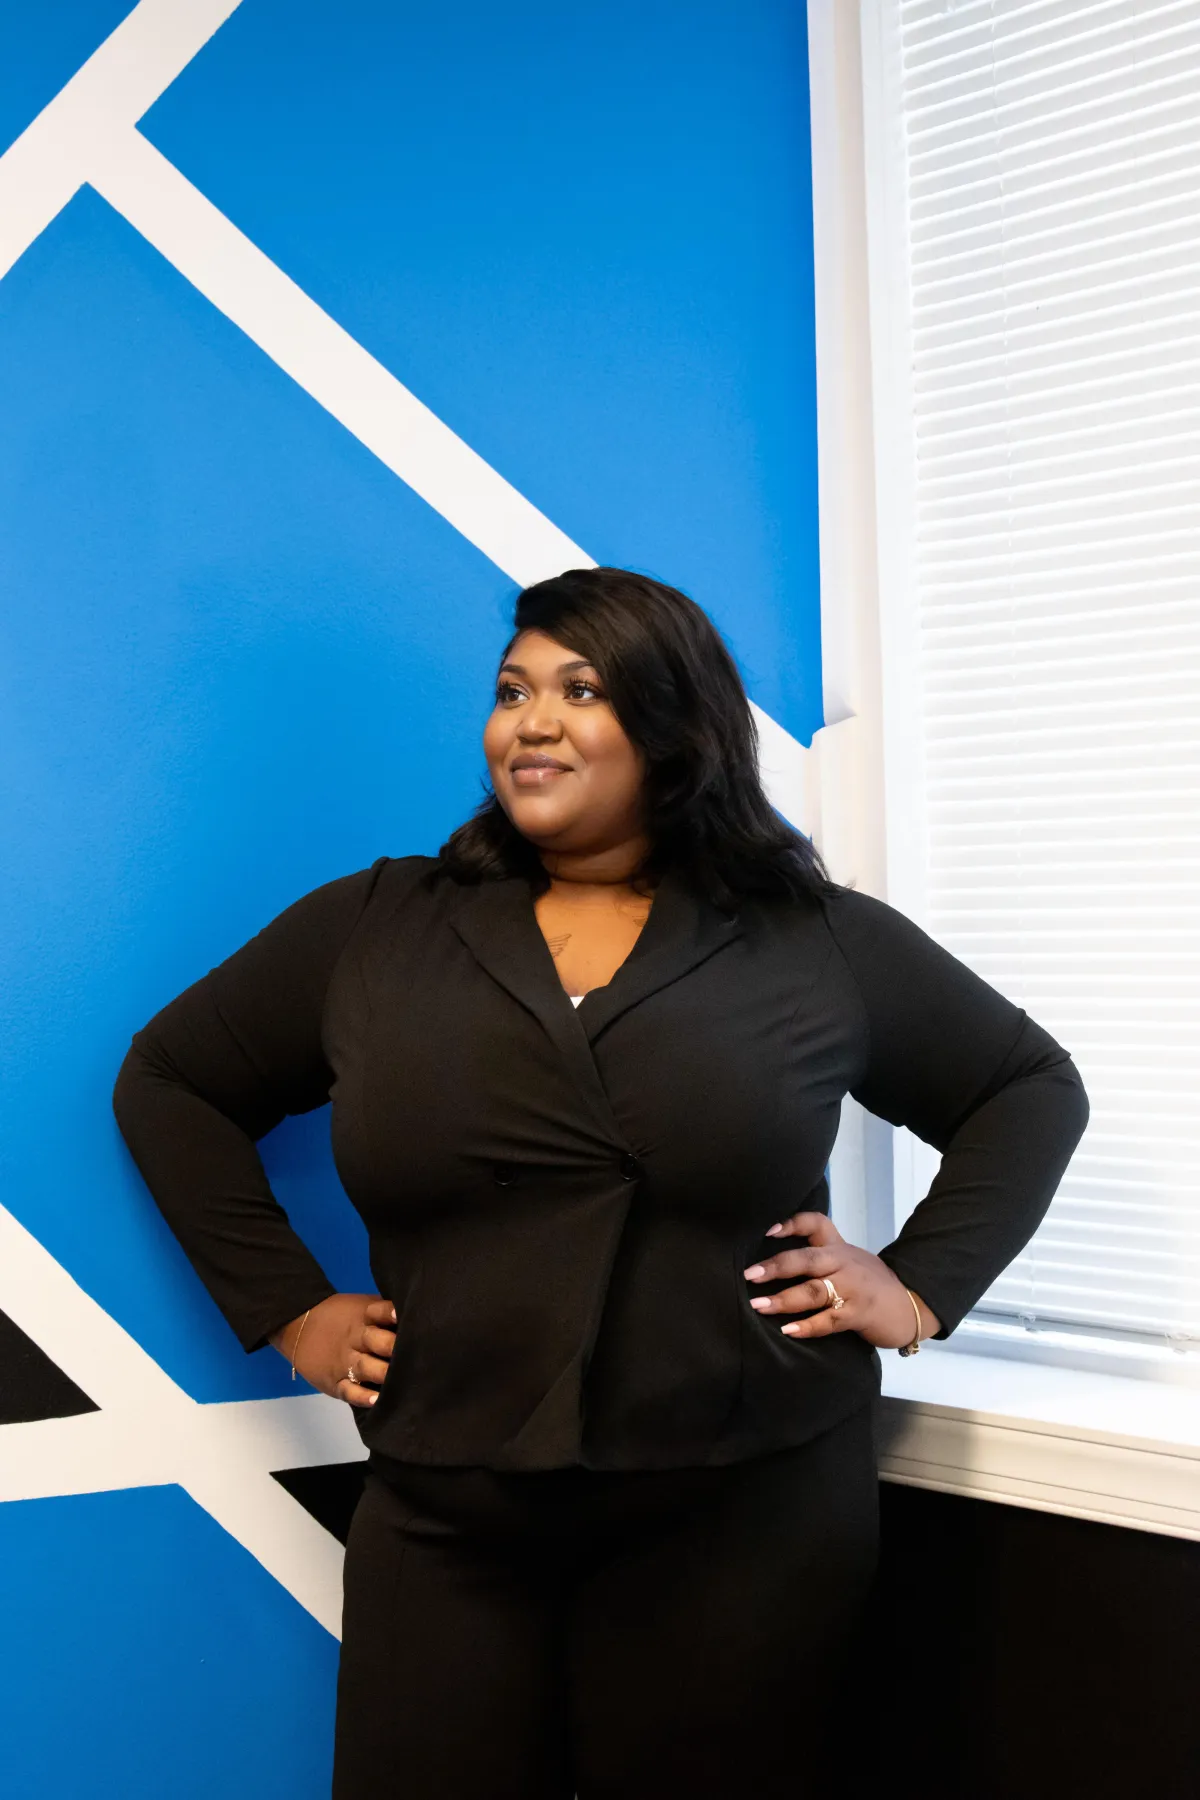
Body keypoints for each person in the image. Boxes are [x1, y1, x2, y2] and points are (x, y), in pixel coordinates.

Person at [112, 566, 1089, 1798]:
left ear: (675, 728)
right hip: (450, 1506)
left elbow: (1028, 1088)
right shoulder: (380, 923)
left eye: (581, 689)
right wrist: (293, 1310)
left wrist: (917, 1287)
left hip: (745, 1512)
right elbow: (170, 1081)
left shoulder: (812, 936)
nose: (531, 720)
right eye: (512, 690)